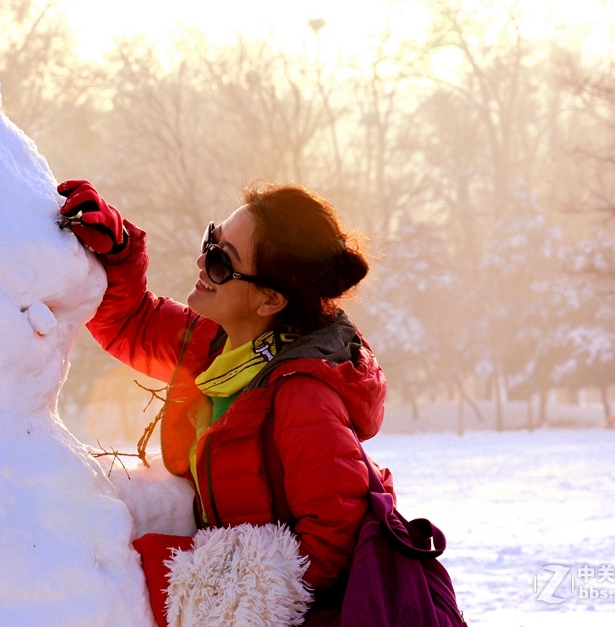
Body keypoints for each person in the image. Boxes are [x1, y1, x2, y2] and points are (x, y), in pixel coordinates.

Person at [58, 180, 387, 626]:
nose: (201, 261)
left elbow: (334, 543)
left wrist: (205, 585)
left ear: (270, 299)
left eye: (220, 261)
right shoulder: (217, 344)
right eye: (211, 239)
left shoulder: (302, 397)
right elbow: (131, 323)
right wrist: (118, 250)